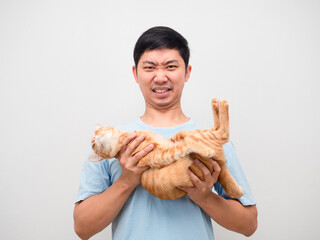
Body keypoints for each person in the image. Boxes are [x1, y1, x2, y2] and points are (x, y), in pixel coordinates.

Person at [73, 26, 258, 240]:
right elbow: (83, 228)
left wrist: (205, 197)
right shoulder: (109, 144)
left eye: (171, 66)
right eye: (150, 67)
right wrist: (126, 180)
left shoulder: (209, 140)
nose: (160, 77)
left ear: (187, 72)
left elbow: (249, 224)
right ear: (135, 73)